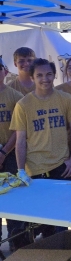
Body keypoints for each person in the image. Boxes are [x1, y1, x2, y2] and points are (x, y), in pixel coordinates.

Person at [10, 58, 71, 238]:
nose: (45, 79)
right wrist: (20, 170)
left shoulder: (65, 98)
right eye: (39, 75)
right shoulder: (23, 105)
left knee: (62, 217)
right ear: (32, 78)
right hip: (35, 169)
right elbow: (20, 140)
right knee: (40, 220)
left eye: (49, 74)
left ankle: (63, 258)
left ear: (54, 75)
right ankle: (45, 260)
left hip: (61, 167)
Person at [0, 58, 23, 250]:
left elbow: (19, 131)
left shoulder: (15, 97)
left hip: (10, 156)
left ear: (5, 72)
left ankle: (17, 248)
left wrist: (3, 151)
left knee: (14, 202)